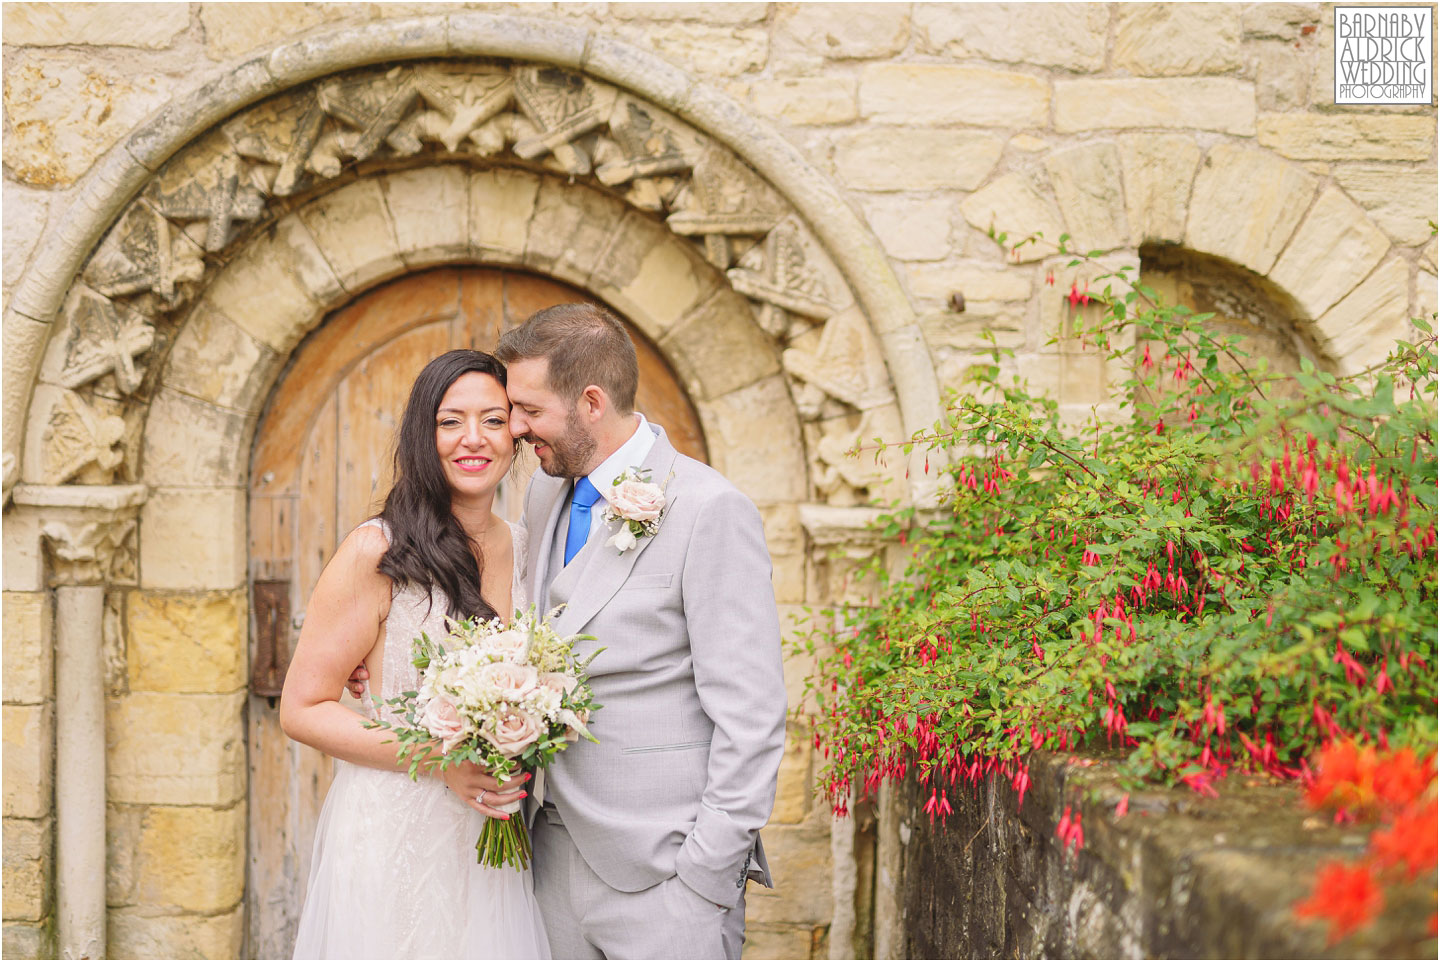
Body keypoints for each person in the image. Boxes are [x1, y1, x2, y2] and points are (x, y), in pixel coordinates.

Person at [496, 303, 788, 960]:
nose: (515, 429)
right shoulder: (545, 494)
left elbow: (753, 717)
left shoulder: (710, 510)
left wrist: (703, 882)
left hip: (667, 879)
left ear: (591, 402)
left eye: (529, 410)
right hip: (553, 859)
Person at [280, 350, 550, 960]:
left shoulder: (529, 547)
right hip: (396, 829)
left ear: (517, 434)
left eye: (493, 418)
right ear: (422, 436)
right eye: (450, 421)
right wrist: (440, 760)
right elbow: (302, 708)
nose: (472, 439)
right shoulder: (377, 551)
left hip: (491, 833)